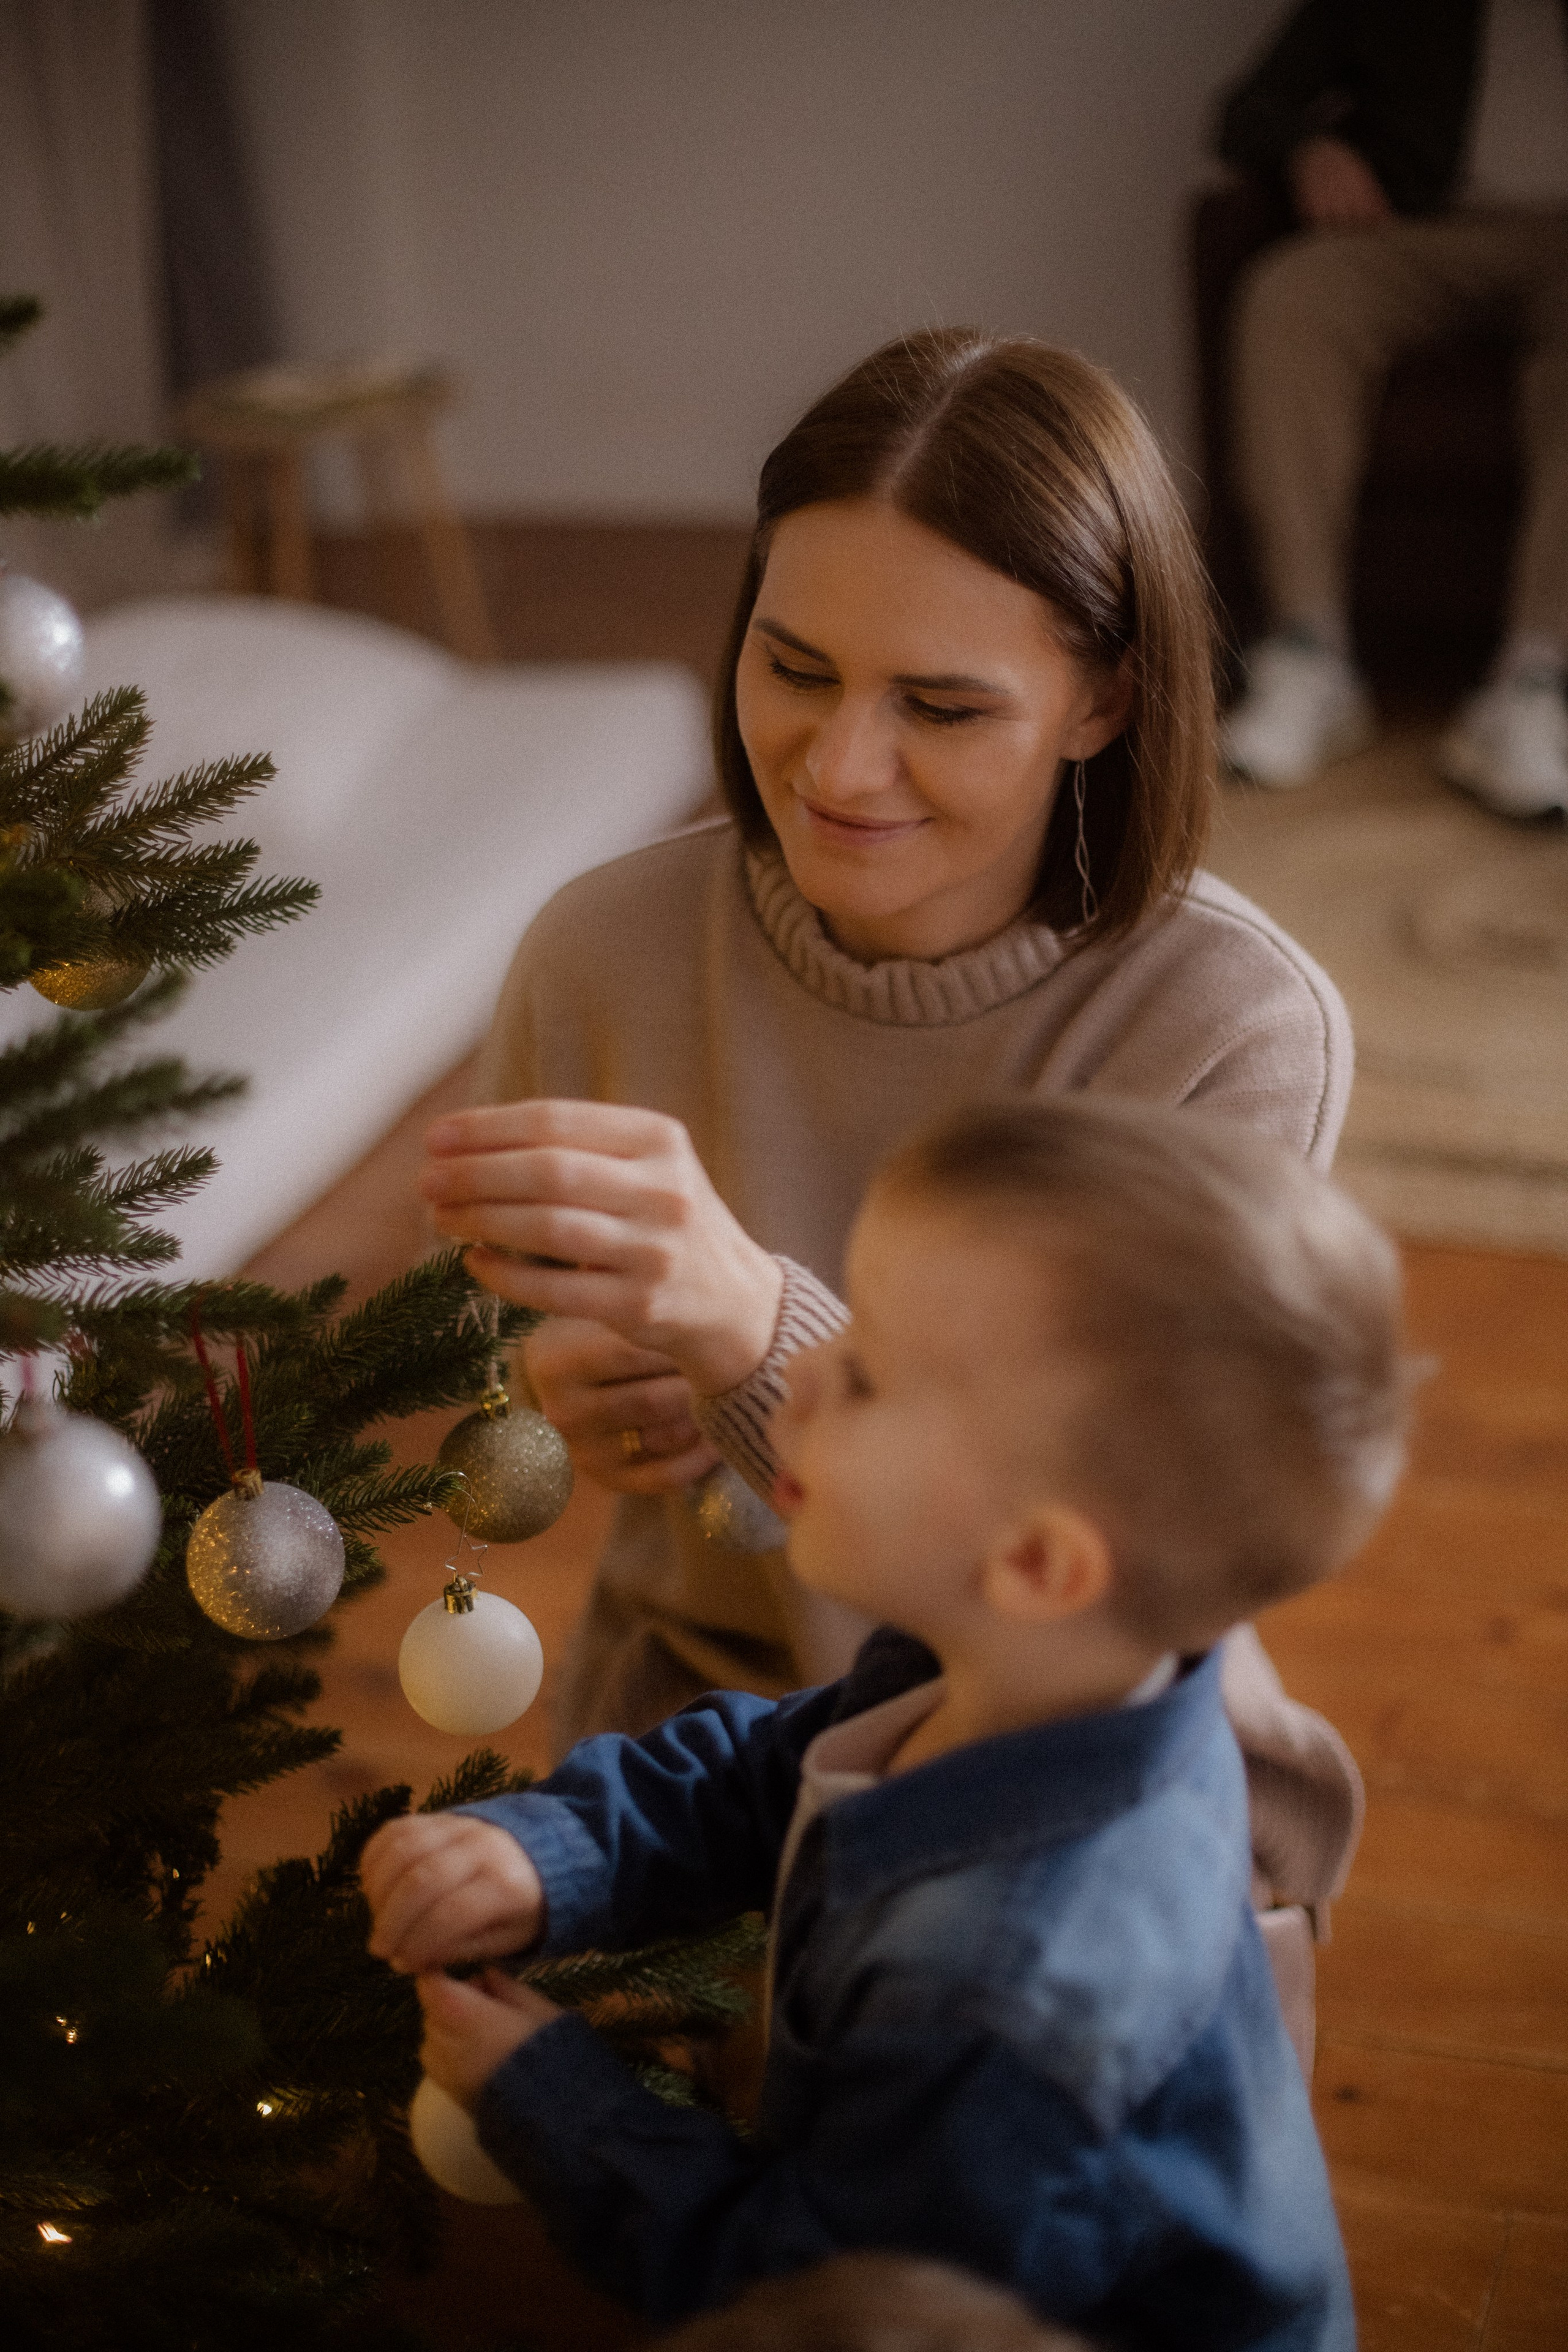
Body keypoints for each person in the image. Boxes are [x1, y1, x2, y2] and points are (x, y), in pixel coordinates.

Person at [417, 326, 1354, 1764]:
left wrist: (751, 1336)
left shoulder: (1230, 1032)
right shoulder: (601, 951)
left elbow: (1110, 1547)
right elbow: (491, 1334)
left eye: (938, 706)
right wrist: (557, 1381)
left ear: (1101, 700)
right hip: (674, 1739)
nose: (840, 768)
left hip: (1054, 1765)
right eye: (793, 667)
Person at [364, 1095, 1409, 2342]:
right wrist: (556, 1853)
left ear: (1033, 1563)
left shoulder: (1004, 1996)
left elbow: (819, 2291)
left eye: (865, 1375)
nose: (797, 1365)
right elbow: (772, 1770)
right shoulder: (1029, 1674)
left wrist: (557, 2106)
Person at [1215, 0, 1568, 816]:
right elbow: (1248, 110)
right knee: (1289, 294)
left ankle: (1536, 679)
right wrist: (1307, 147)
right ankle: (1309, 652)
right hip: (1418, 227)